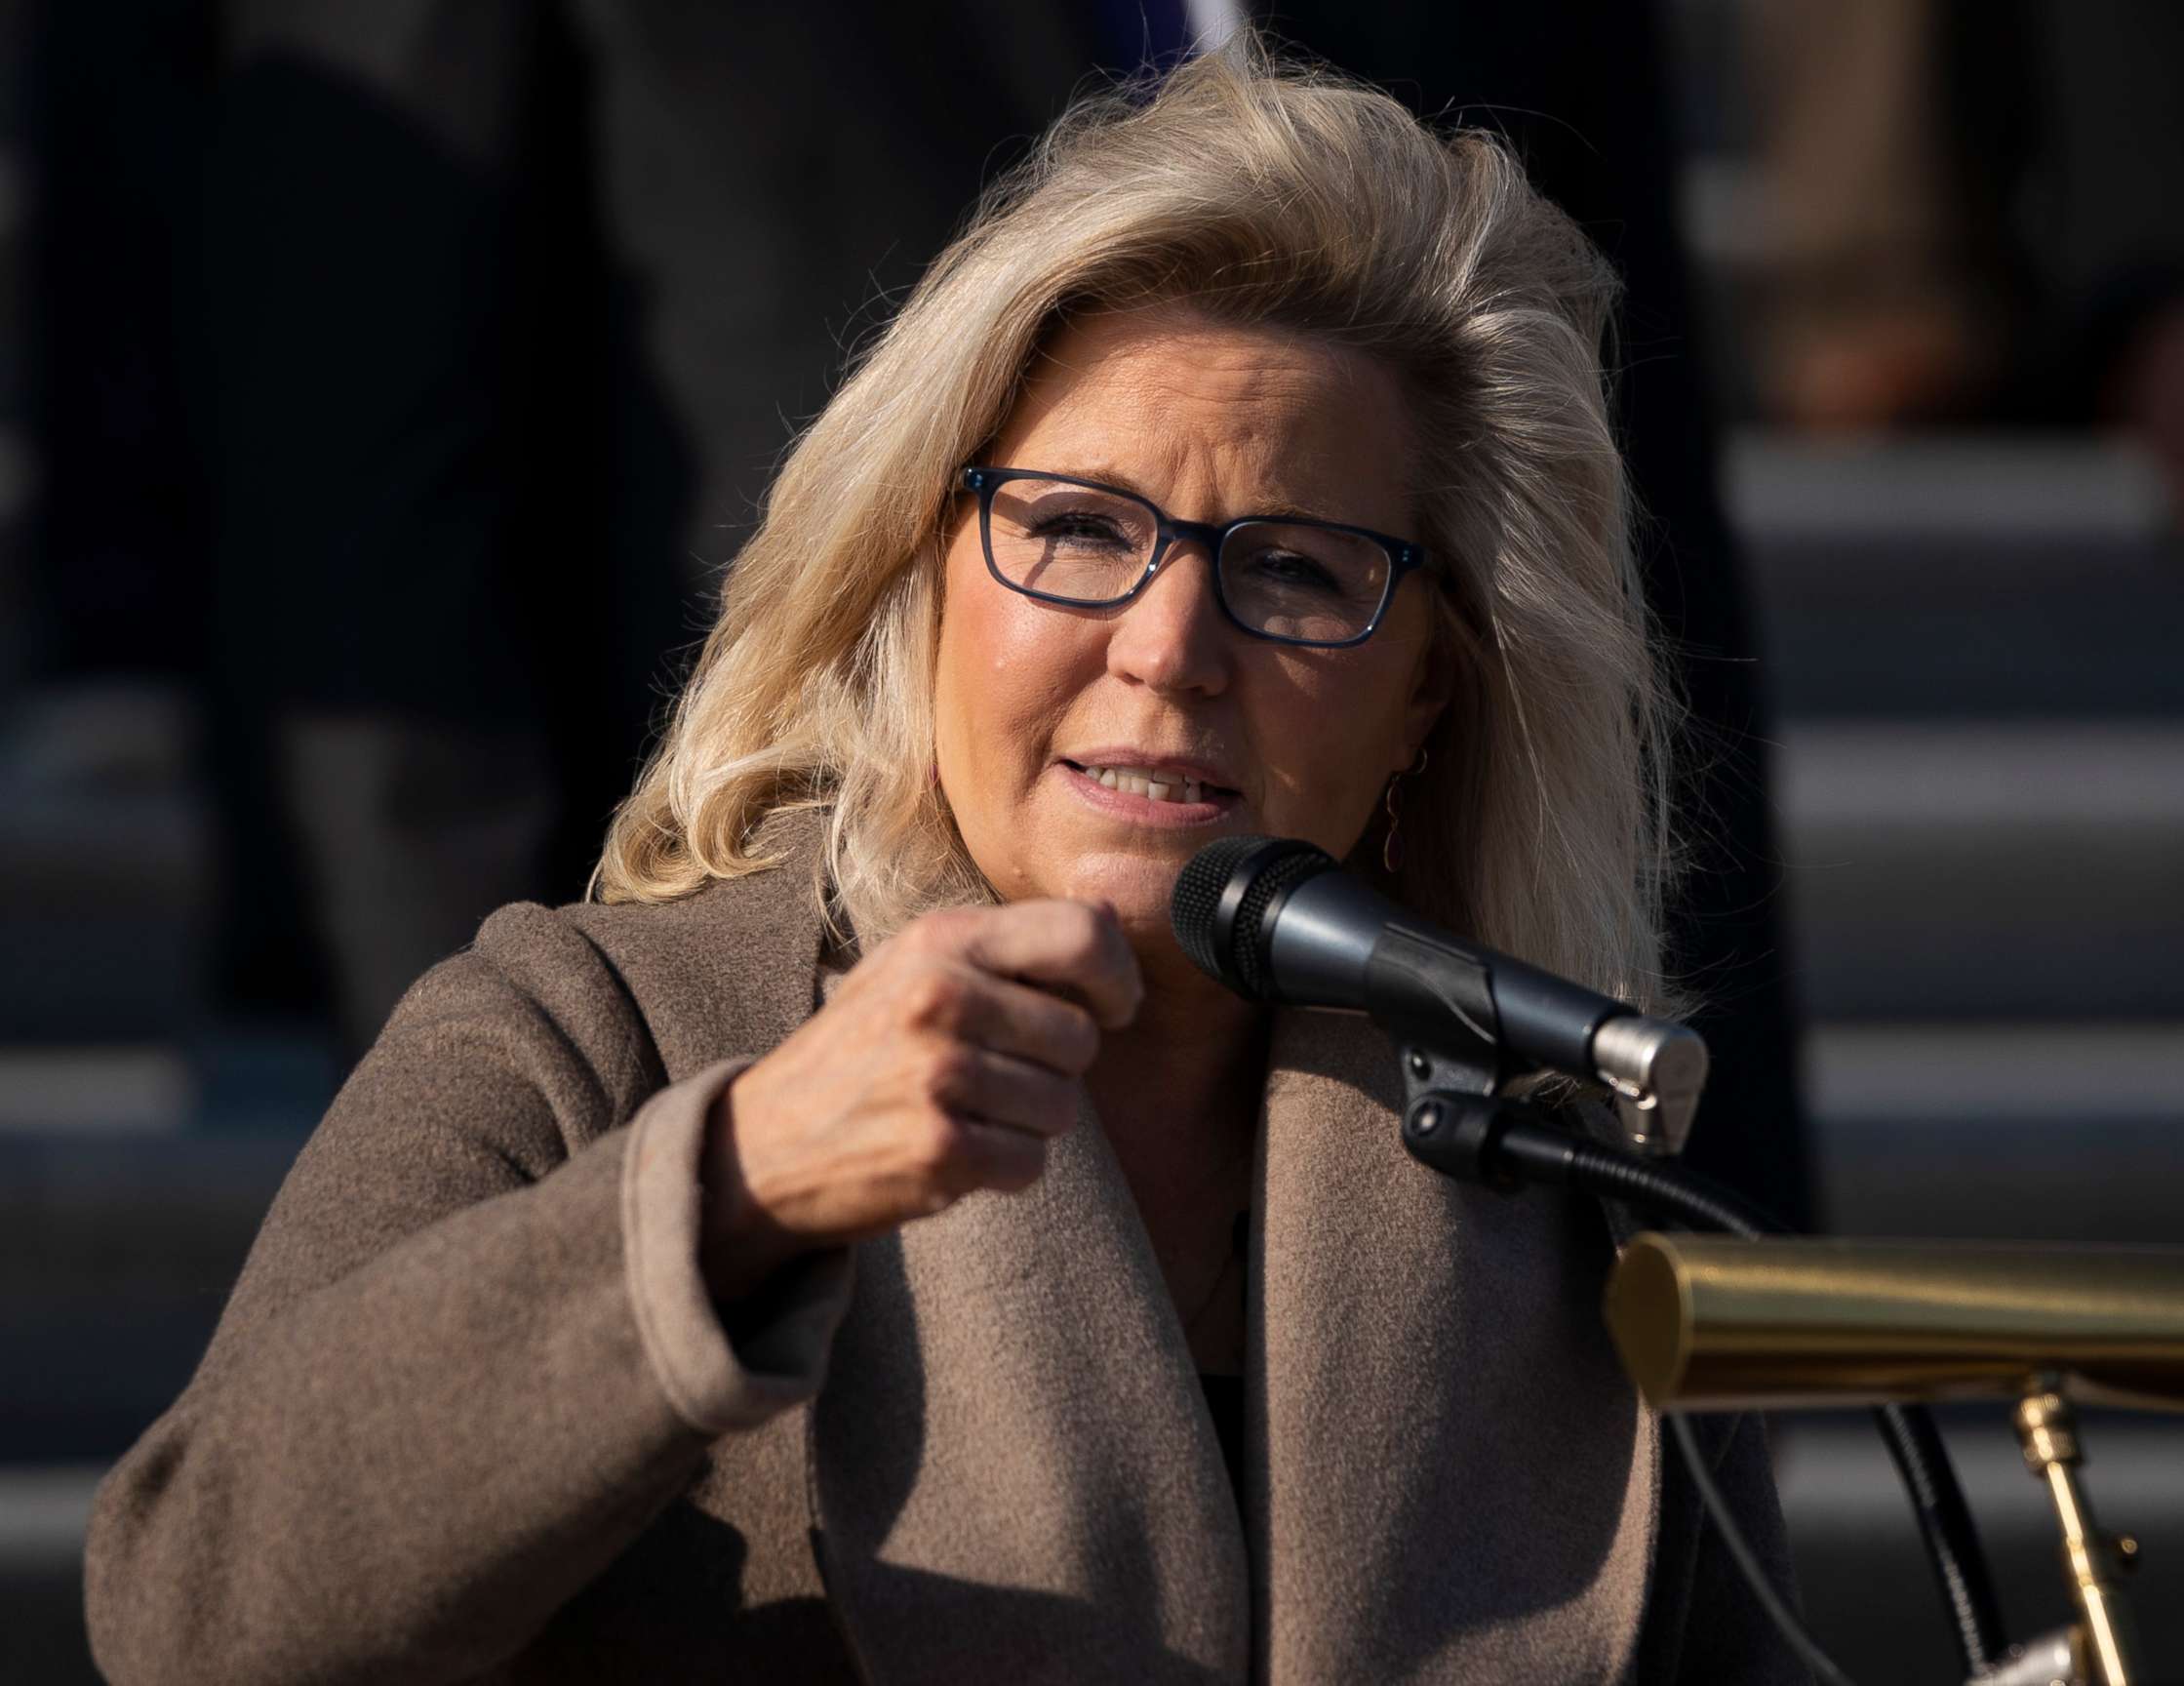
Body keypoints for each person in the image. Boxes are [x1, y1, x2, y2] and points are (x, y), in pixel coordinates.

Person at [84, 48, 1799, 1684]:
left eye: (1290, 569)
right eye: (1074, 530)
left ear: (1430, 686)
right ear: (920, 581)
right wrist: (733, 1195)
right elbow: (189, 1601)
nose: (1169, 645)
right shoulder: (595, 1033)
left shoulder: (1555, 1181)